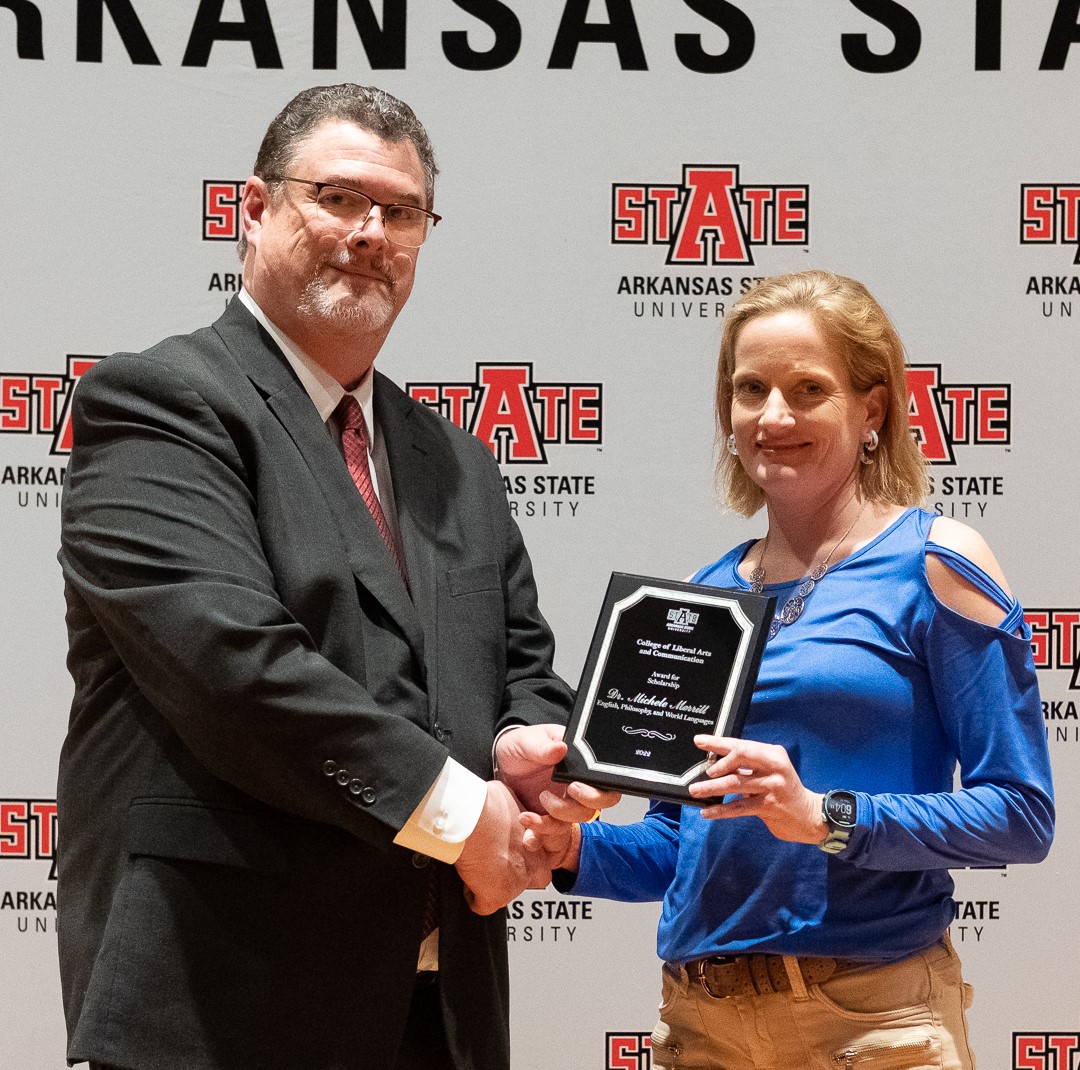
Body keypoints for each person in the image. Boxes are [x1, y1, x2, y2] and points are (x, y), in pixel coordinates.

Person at [57, 84, 609, 1070]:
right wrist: (459, 812)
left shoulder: (455, 459)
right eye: (338, 197)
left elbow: (520, 658)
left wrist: (526, 742)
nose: (369, 232)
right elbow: (233, 669)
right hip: (225, 1005)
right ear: (255, 210)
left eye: (400, 212)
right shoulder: (158, 404)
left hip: (442, 1009)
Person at [524, 270, 1054, 1070]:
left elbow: (1021, 814)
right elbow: (678, 845)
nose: (774, 416)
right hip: (700, 1026)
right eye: (751, 389)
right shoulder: (705, 598)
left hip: (872, 1024)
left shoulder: (935, 562)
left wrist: (825, 816)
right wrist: (567, 853)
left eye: (808, 389)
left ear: (870, 408)